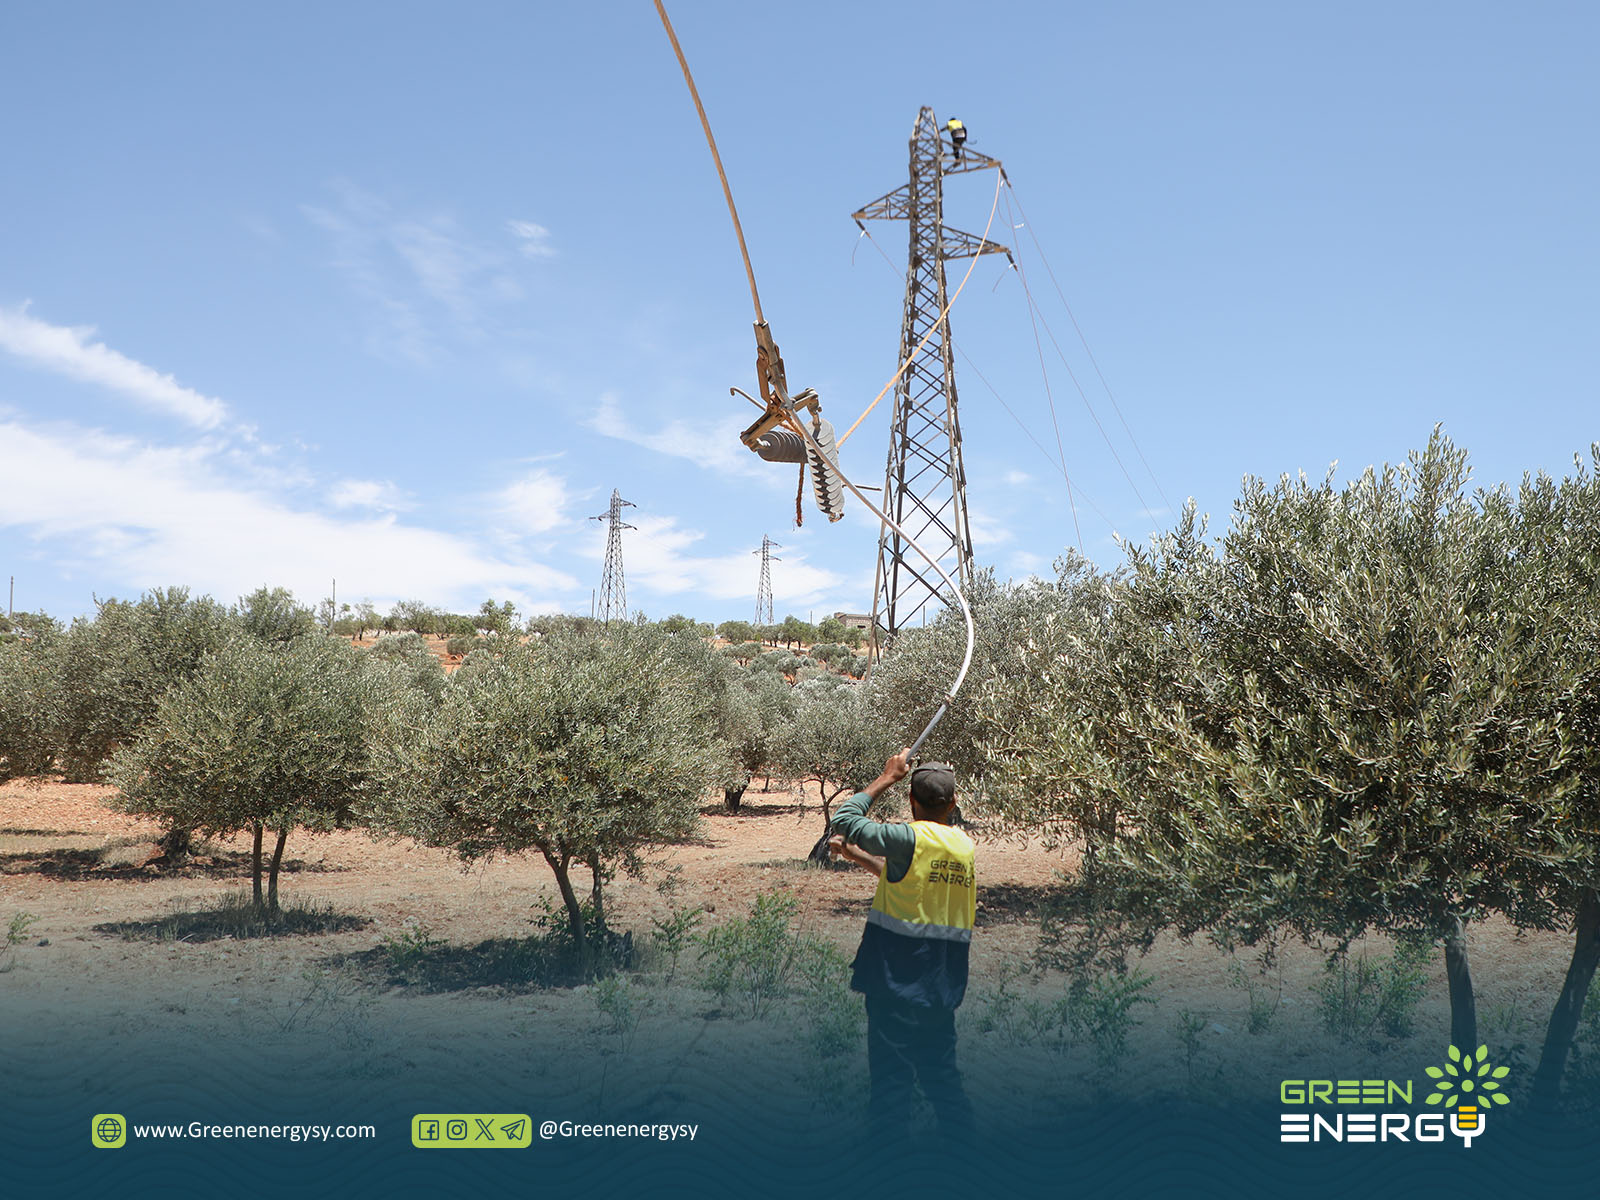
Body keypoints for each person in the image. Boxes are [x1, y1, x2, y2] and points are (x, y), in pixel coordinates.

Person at [828, 749, 976, 1143]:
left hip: (896, 982)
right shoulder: (962, 846)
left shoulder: (909, 837)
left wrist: (886, 777)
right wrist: (855, 855)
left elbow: (844, 819)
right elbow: (905, 878)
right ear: (953, 803)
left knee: (891, 1088)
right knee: (943, 1082)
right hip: (941, 985)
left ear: (911, 800)